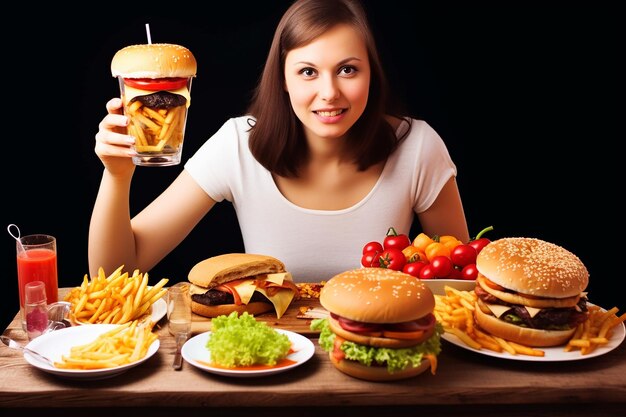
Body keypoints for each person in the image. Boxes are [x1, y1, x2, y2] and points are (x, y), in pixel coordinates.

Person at [90, 0, 469, 283]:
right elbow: (115, 273)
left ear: (372, 74)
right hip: (270, 364)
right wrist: (117, 175)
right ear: (284, 80)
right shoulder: (238, 144)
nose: (329, 92)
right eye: (308, 72)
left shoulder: (418, 146)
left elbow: (456, 281)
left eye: (348, 70)